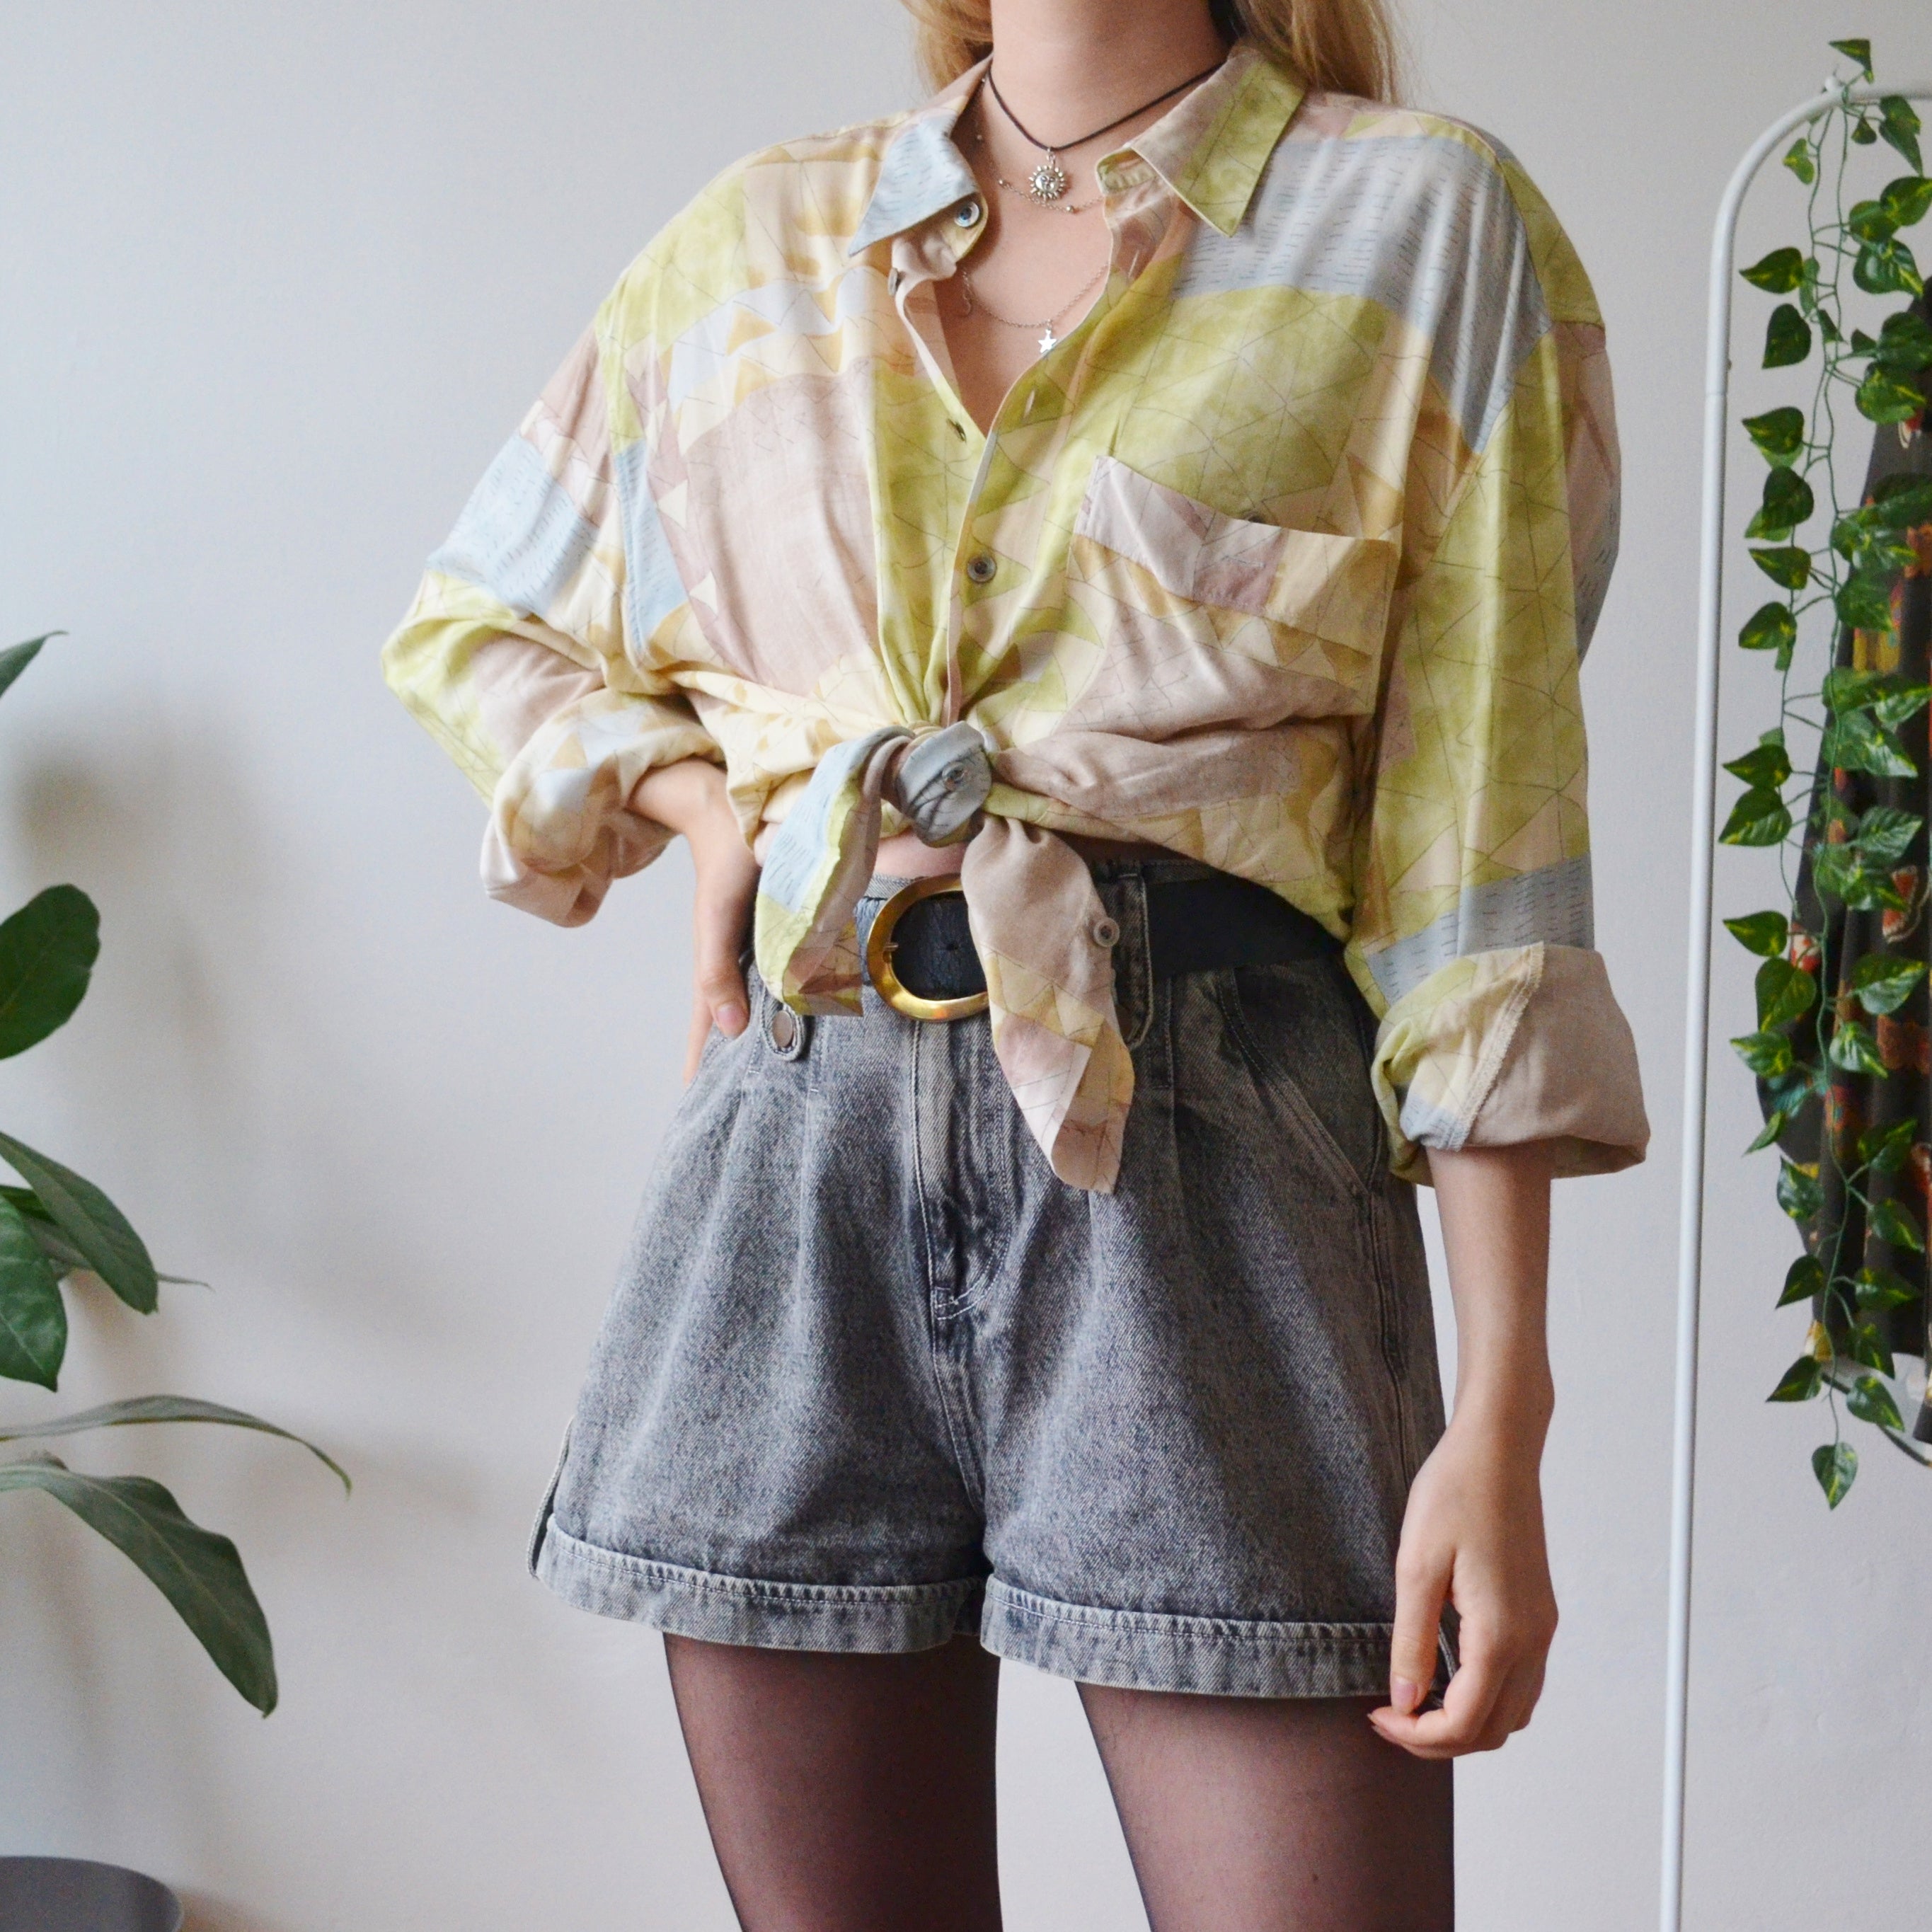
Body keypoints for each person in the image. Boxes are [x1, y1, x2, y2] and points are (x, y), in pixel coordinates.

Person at [384, 0, 1649, 1923]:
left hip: (1215, 1169)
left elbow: (1477, 842)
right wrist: (708, 811)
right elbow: (480, 623)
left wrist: (1504, 1410)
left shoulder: (1415, 219)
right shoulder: (757, 239)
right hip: (799, 1163)